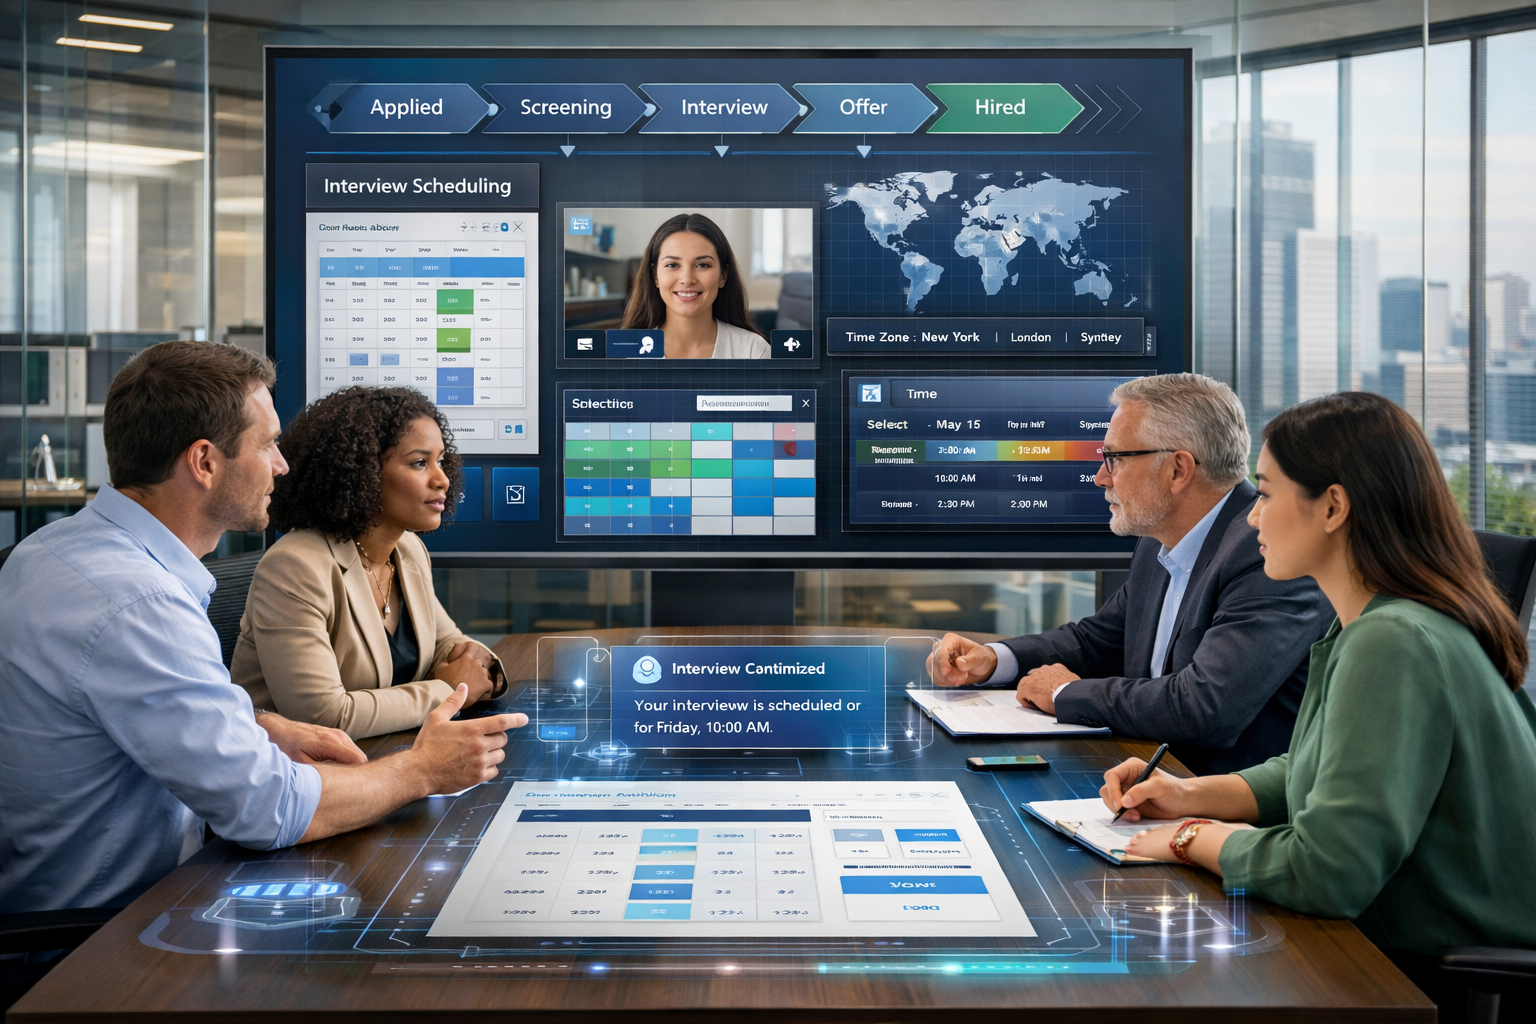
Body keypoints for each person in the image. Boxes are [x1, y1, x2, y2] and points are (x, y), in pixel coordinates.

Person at [0, 341, 527, 915]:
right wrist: (422, 770)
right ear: (204, 462)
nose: (282, 464)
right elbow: (269, 808)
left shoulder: (51, 550)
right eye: (269, 444)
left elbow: (109, 712)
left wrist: (255, 725)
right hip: (102, 939)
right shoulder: (139, 603)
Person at [1101, 392, 1536, 982]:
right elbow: (1325, 762)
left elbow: (1327, 872)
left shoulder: (1392, 641)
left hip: (1424, 973)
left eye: (1268, 493)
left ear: (1332, 508)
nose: (1252, 515)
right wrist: (1193, 794)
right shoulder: (1377, 620)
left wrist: (1190, 838)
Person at [927, 373, 1332, 774]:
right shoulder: (1159, 541)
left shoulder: (1266, 551)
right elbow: (1098, 641)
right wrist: (995, 659)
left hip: (1222, 811)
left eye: (1114, 458)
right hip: (1146, 781)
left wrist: (1065, 693)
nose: (1101, 476)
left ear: (1178, 470)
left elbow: (1205, 707)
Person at [231, 387, 504, 738]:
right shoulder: (294, 567)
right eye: (420, 463)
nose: (443, 479)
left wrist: (478, 667)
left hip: (390, 755)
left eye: (441, 460)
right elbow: (326, 717)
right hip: (306, 775)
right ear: (363, 472)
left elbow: (450, 644)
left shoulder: (408, 551)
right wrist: (447, 691)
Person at [619, 212, 771, 359]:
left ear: (723, 275)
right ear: (655, 275)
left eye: (702, 265)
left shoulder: (754, 351)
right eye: (672, 265)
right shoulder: (627, 353)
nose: (687, 279)